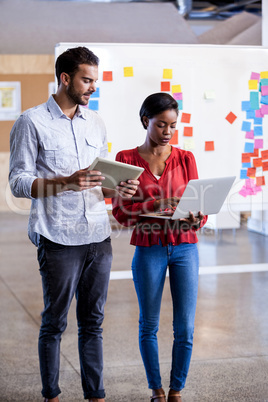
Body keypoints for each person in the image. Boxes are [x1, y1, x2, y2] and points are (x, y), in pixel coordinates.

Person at [9, 46, 139, 402]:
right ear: (65, 78)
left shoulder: (95, 123)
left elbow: (97, 180)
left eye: (95, 80)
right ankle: (51, 394)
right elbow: (18, 182)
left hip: (98, 234)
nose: (92, 87)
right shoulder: (31, 122)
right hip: (58, 236)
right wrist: (66, 181)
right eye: (86, 79)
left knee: (93, 323)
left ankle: (95, 395)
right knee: (54, 322)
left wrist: (119, 186)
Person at [112, 93, 208, 402]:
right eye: (161, 125)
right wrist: (161, 203)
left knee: (185, 327)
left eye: (173, 126)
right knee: (149, 324)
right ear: (145, 121)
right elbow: (122, 214)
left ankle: (177, 390)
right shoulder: (126, 159)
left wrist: (196, 216)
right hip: (149, 248)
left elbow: (200, 211)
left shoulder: (185, 158)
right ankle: (156, 389)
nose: (167, 132)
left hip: (185, 248)